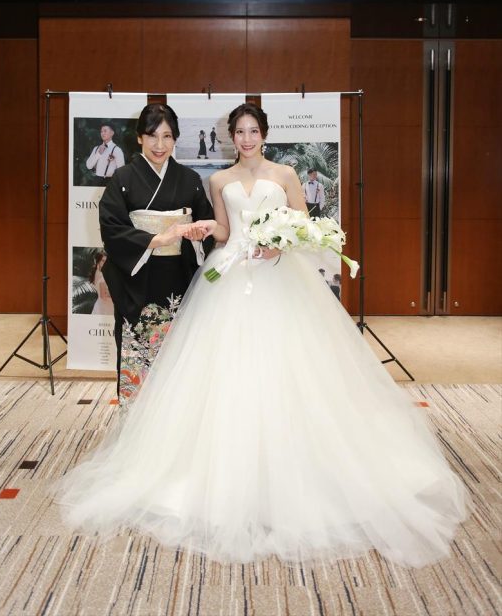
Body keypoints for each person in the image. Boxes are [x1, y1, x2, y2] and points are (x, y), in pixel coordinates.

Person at [58, 102, 469, 567]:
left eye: (254, 131)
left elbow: (304, 224)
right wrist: (200, 229)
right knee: (222, 376)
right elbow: (222, 232)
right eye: (240, 132)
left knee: (292, 372)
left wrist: (281, 244)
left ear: (265, 134)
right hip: (229, 275)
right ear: (230, 137)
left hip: (279, 279)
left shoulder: (284, 174)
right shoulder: (216, 180)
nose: (247, 139)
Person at [97, 103, 214, 408]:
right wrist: (158, 238)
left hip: (179, 277)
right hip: (137, 280)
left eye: (167, 136)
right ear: (139, 138)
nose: (159, 145)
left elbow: (208, 224)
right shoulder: (122, 178)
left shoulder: (189, 179)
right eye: (152, 136)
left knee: (180, 360)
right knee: (138, 357)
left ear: (175, 139)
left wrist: (198, 235)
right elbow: (112, 228)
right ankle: (135, 422)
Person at [89, 250, 114, 316]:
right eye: (103, 261)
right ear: (98, 261)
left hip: (101, 305)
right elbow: (103, 296)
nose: (105, 263)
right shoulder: (101, 275)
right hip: (105, 308)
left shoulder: (96, 272)